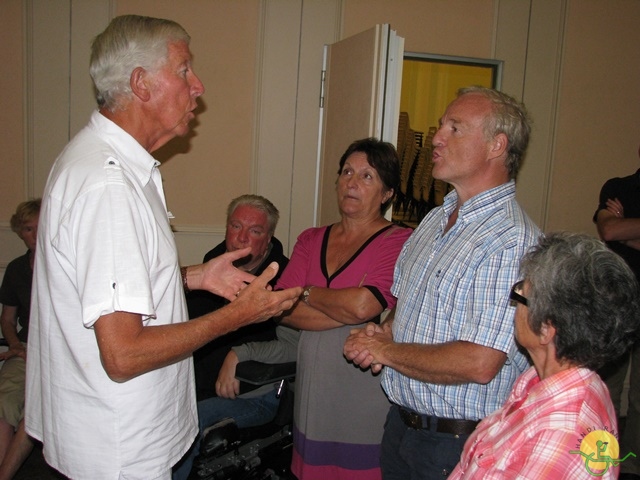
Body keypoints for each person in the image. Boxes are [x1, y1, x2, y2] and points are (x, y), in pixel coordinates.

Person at [24, 15, 301, 480]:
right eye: (184, 69)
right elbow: (124, 354)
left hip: (110, 436)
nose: (199, 86)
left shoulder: (107, 163)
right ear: (141, 84)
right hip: (120, 449)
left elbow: (107, 286)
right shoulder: (109, 184)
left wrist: (196, 276)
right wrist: (237, 316)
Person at [344, 86, 541, 479]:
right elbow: (406, 307)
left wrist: (386, 351)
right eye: (440, 126)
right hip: (402, 427)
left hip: (457, 444)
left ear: (496, 145)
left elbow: (480, 362)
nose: (436, 137)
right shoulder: (436, 219)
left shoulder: (511, 239)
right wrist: (379, 333)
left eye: (455, 128)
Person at [447, 232, 640, 478]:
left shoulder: (562, 433)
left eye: (520, 295)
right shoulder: (542, 381)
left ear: (547, 329)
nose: (514, 306)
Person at [275, 137, 413, 479]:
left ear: (387, 193)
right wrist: (345, 305)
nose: (352, 182)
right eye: (347, 172)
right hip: (311, 388)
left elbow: (364, 305)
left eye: (368, 176)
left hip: (364, 389)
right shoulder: (310, 239)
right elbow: (280, 306)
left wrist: (305, 291)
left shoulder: (399, 241)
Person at [187, 194, 289, 401]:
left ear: (268, 238)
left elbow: (286, 346)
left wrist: (240, 356)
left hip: (248, 389)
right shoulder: (205, 272)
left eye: (254, 231)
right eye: (236, 226)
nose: (242, 238)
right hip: (191, 385)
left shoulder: (284, 280)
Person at [172, 324, 300, 480]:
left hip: (257, 395)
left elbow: (296, 348)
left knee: (187, 421)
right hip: (198, 380)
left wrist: (239, 354)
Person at [593, 150, 640, 480]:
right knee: (604, 389)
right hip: (617, 305)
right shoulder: (618, 186)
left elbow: (618, 229)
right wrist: (618, 227)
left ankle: (633, 468)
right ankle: (596, 464)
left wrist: (628, 228)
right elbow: (609, 232)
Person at [0, 199, 40, 479]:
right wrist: (14, 344)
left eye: (41, 227)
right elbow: (7, 319)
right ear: (20, 232)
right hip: (25, 348)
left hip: (60, 353)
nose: (35, 235)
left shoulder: (69, 264)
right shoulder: (16, 269)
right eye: (28, 229)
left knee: (36, 405)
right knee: (5, 398)